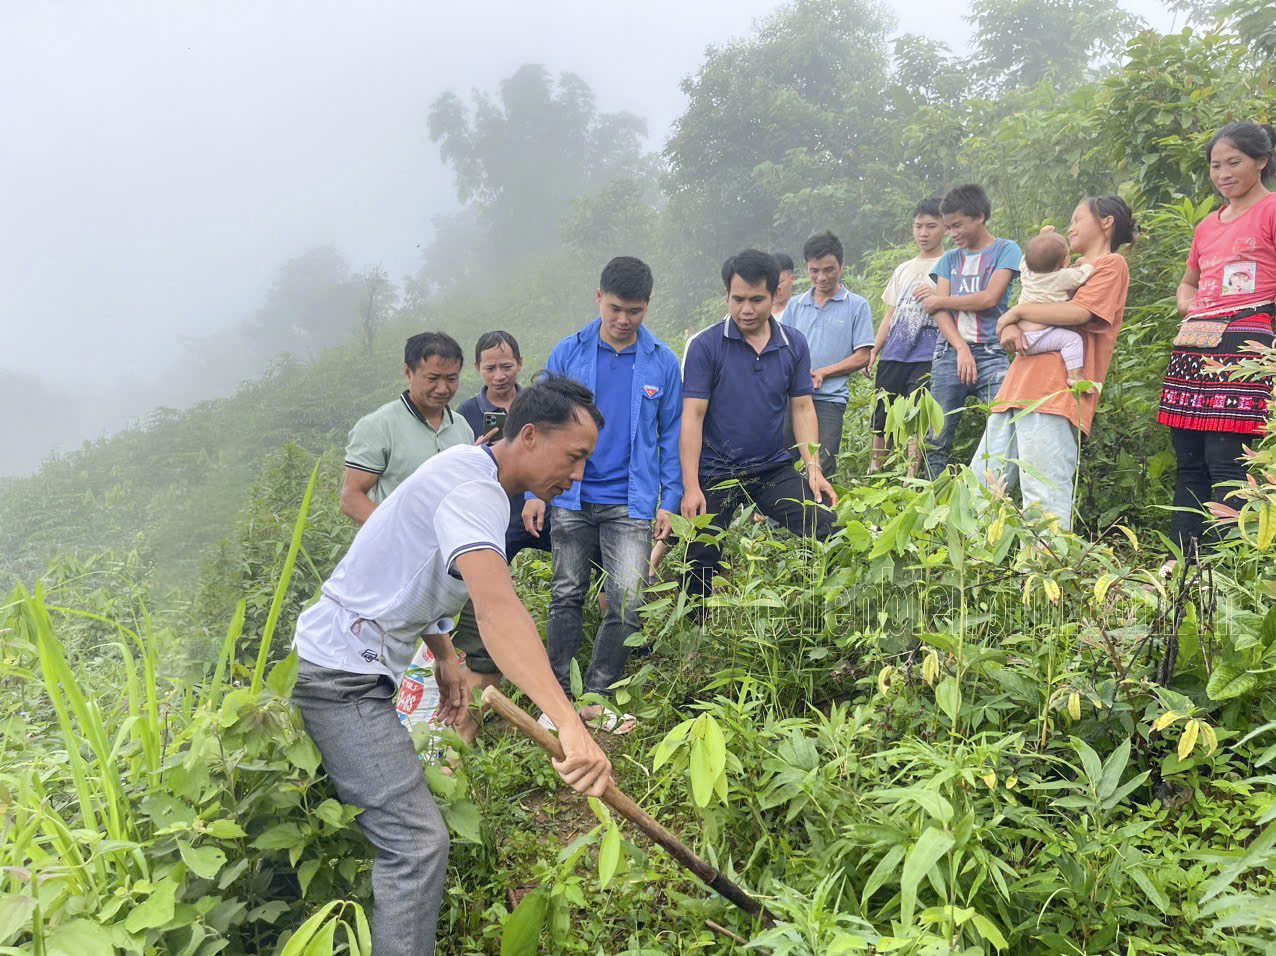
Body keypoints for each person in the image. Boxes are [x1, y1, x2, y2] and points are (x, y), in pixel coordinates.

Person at [291, 376, 613, 956]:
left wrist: (444, 654)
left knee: (388, 832)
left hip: (348, 663)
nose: (578, 474)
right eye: (576, 456)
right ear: (532, 435)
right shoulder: (476, 491)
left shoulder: (469, 462)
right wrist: (567, 720)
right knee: (416, 844)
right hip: (341, 680)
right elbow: (497, 608)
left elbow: (416, 561)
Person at [525, 257, 682, 732]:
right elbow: (541, 430)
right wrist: (535, 491)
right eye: (614, 308)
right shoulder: (568, 354)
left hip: (630, 501)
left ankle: (598, 693)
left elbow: (671, 436)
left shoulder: (661, 361)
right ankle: (554, 697)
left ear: (647, 307)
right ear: (598, 299)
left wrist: (669, 500)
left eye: (633, 311)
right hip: (569, 495)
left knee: (630, 599)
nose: (622, 319)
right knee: (566, 593)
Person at [681, 249, 838, 601]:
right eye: (737, 300)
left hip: (770, 468)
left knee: (827, 525)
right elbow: (692, 417)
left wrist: (813, 468)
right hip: (716, 470)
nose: (746, 310)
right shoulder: (706, 346)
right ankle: (695, 634)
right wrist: (691, 486)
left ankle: (831, 607)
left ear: (775, 294)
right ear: (726, 296)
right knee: (701, 557)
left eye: (756, 299)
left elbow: (802, 408)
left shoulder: (792, 343)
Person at [972, 197, 1136, 531]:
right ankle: (975, 569)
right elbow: (1028, 299)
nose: (1071, 225)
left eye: (1078, 218)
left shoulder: (1110, 264)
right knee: (982, 483)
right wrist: (1012, 326)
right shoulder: (1061, 268)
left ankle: (1045, 575)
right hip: (1015, 388)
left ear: (1106, 222)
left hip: (1056, 394)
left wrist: (1016, 314)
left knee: (1043, 493)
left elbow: (1079, 314)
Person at [1156, 122, 1276, 562]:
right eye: (1215, 166)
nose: (1223, 173)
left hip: (1244, 342)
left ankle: (1228, 568)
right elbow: (1186, 285)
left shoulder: (1271, 210)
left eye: (1234, 163)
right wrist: (1192, 305)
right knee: (1189, 462)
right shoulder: (1207, 225)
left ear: (1261, 161)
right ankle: (1182, 564)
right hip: (1194, 340)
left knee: (1227, 461)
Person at [450, 331, 550, 742]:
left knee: (578, 565)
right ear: (478, 369)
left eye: (506, 365)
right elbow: (455, 470)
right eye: (490, 367)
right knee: (485, 600)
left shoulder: (536, 407)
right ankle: (479, 684)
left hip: (537, 510)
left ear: (520, 364)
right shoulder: (465, 413)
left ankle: (559, 672)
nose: (499, 374)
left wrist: (535, 495)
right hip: (489, 522)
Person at [918, 185, 1022, 478]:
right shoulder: (949, 260)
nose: (952, 233)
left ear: (979, 217)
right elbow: (939, 312)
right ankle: (932, 510)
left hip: (992, 351)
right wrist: (961, 348)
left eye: (957, 225)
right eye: (948, 227)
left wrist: (941, 299)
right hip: (950, 352)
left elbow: (989, 298)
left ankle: (993, 500)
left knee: (1009, 423)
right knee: (936, 438)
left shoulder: (1006, 250)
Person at [340, 332, 473, 523]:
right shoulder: (378, 426)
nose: (443, 388)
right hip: (396, 547)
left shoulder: (461, 426)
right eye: (433, 378)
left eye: (451, 379)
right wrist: (398, 532)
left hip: (450, 546)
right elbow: (351, 498)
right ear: (408, 373)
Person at [781, 232, 875, 476]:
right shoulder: (795, 305)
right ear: (806, 268)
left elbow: (863, 355)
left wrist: (823, 372)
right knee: (782, 460)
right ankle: (777, 515)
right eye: (814, 271)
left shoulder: (857, 305)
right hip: (793, 398)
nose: (821, 277)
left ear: (841, 266)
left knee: (822, 463)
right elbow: (783, 349)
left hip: (830, 399)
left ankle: (818, 514)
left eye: (829, 270)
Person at [869, 198, 946, 473]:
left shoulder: (949, 264)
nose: (923, 233)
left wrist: (938, 295)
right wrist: (875, 350)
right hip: (894, 353)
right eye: (918, 226)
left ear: (945, 228)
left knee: (918, 417)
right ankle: (876, 472)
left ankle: (911, 477)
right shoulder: (903, 269)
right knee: (883, 416)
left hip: (928, 353)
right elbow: (890, 314)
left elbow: (959, 303)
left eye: (931, 226)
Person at [1007, 232, 1095, 387]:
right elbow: (1083, 275)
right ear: (1064, 261)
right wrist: (1085, 262)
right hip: (1040, 336)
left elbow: (1025, 259)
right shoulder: (1061, 277)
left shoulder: (1027, 273)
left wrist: (1042, 235)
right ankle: (1075, 377)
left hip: (1021, 337)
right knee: (1072, 340)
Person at [772, 252, 796, 318]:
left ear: (792, 279)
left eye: (780, 282)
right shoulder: (762, 313)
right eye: (772, 282)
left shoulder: (799, 311)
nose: (776, 288)